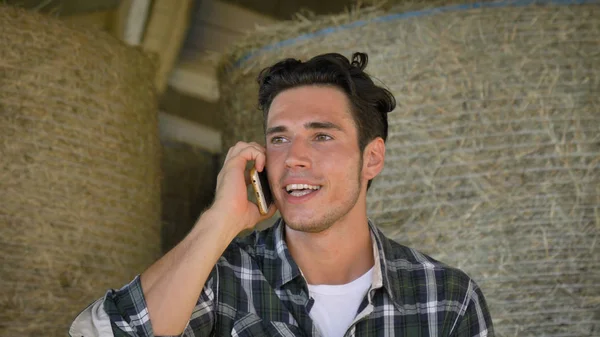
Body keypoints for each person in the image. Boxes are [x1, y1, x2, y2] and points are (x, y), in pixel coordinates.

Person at [70, 52, 494, 337]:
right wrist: (221, 220)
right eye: (279, 138)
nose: (294, 158)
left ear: (372, 158)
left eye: (322, 136)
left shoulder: (447, 300)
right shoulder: (219, 277)